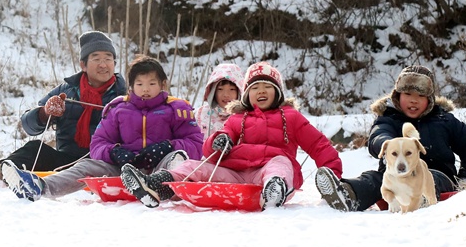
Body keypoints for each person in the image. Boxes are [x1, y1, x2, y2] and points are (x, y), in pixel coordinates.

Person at [120, 61, 343, 210]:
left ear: (279, 92)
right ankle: (157, 185)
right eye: (255, 88)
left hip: (266, 173)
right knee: (193, 165)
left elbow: (319, 145)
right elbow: (211, 148)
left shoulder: (290, 117)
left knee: (281, 162)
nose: (261, 91)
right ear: (247, 94)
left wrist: (332, 179)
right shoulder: (237, 118)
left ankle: (275, 190)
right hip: (235, 174)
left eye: (268, 86)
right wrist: (218, 142)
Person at [1, 54, 203, 201]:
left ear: (162, 84)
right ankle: (40, 187)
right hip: (126, 170)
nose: (146, 90)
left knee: (178, 159)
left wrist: (167, 146)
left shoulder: (177, 108)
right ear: (131, 86)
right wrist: (115, 152)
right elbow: (98, 143)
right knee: (86, 165)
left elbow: (195, 143)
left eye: (152, 84)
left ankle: (161, 188)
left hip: (160, 166)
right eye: (140, 84)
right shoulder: (118, 108)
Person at [315, 65, 466, 212]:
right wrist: (385, 145)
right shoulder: (389, 118)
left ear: (430, 99)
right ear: (397, 96)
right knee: (374, 180)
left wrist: (464, 179)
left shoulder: (444, 120)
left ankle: (422, 199)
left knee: (429, 177)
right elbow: (378, 135)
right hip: (393, 175)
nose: (414, 101)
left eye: (420, 96)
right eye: (407, 94)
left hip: (437, 175)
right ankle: (348, 194)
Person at [0, 31, 128, 190]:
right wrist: (45, 113)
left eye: (108, 59)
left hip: (103, 163)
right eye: (96, 59)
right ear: (83, 65)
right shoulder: (67, 92)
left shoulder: (126, 95)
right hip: (66, 161)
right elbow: (28, 125)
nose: (103, 64)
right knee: (34, 148)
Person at [195, 63, 244, 137]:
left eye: (232, 89)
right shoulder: (200, 114)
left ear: (239, 92)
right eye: (220, 89)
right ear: (213, 91)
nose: (226, 94)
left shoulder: (245, 117)